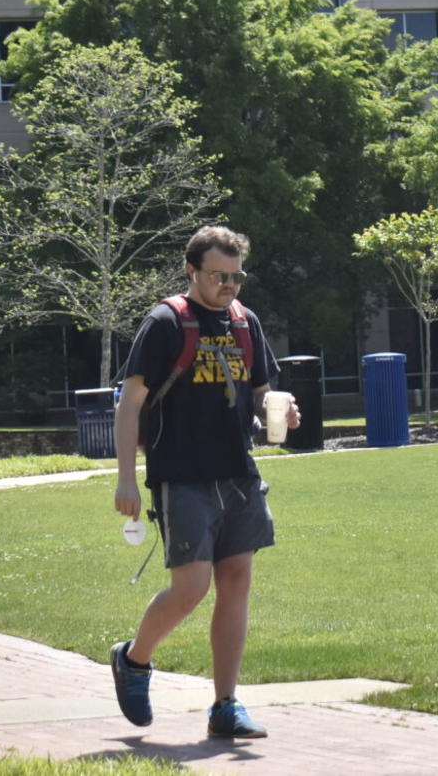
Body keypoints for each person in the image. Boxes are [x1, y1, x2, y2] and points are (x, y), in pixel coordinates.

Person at [109, 225, 298, 741]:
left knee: (236, 581)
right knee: (190, 589)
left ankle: (225, 706)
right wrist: (126, 476)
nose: (229, 286)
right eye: (218, 276)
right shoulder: (166, 322)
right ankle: (133, 660)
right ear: (192, 270)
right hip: (182, 475)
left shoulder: (245, 322)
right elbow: (131, 403)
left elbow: (262, 390)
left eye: (236, 277)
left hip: (238, 472)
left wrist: (282, 409)